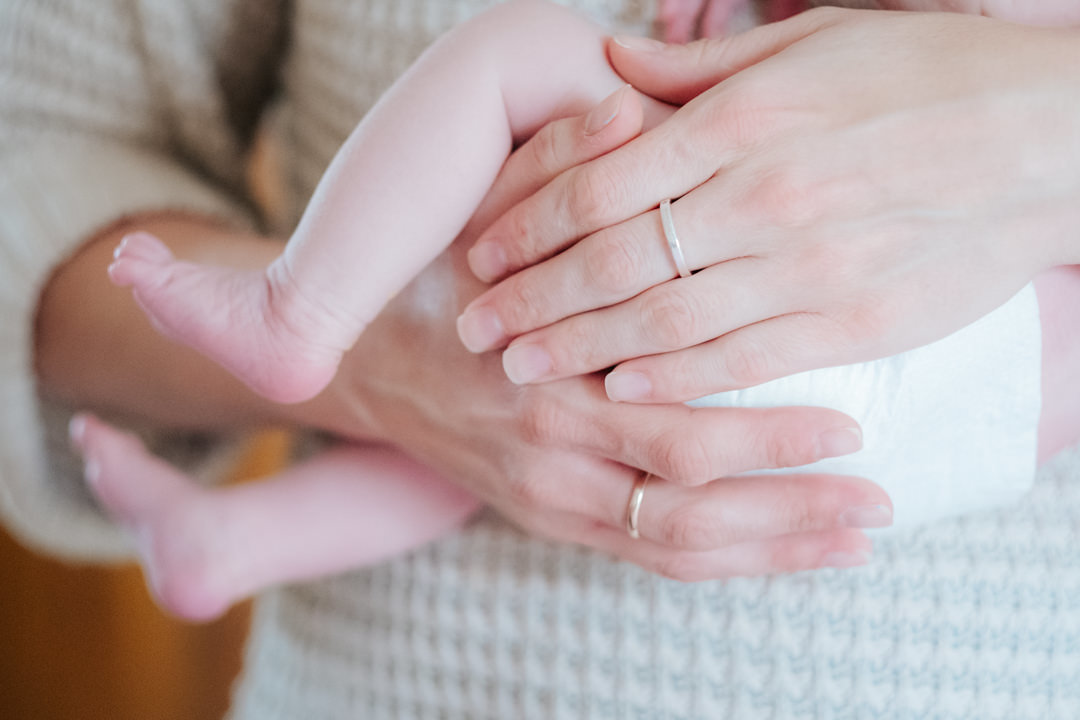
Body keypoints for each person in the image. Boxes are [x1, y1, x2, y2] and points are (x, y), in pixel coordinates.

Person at [3, 2, 1079, 719]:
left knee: (516, 64)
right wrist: (389, 365)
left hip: (836, 323)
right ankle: (232, 538)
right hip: (950, 426)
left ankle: (303, 306)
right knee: (507, 423)